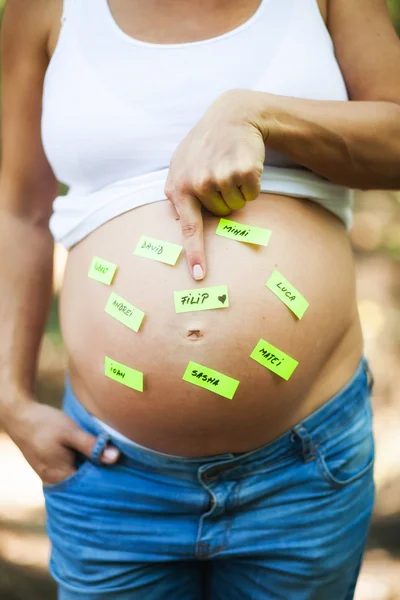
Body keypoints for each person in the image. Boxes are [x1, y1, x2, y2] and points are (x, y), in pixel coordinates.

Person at [0, 0, 399, 598]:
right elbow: (19, 210)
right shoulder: (42, 9)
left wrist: (256, 113)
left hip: (302, 465)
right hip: (111, 473)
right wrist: (8, 398)